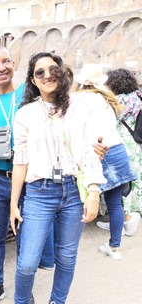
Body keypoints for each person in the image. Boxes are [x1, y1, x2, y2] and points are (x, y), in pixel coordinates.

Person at [10, 52, 105, 304]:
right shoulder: (25, 114)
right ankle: (22, 301)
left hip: (74, 190)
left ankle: (57, 301)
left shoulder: (80, 106)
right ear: (33, 79)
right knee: (28, 261)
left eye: (52, 69)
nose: (47, 75)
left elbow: (89, 150)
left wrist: (93, 191)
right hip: (39, 193)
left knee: (66, 256)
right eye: (39, 72)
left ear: (61, 72)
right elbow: (20, 161)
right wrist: (13, 204)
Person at [0, 46, 57, 304]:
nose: (1, 68)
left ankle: (23, 287)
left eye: (5, 61)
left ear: (13, 63)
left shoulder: (30, 94)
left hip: (30, 179)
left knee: (25, 236)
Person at [73, 64, 137, 260]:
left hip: (98, 151)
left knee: (80, 199)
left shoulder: (78, 99)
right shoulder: (107, 98)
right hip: (117, 149)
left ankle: (66, 249)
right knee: (115, 202)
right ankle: (114, 247)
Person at [101, 68, 142, 236]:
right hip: (135, 143)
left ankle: (127, 219)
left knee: (120, 181)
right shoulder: (138, 98)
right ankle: (127, 216)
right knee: (135, 179)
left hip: (120, 143)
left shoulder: (115, 102)